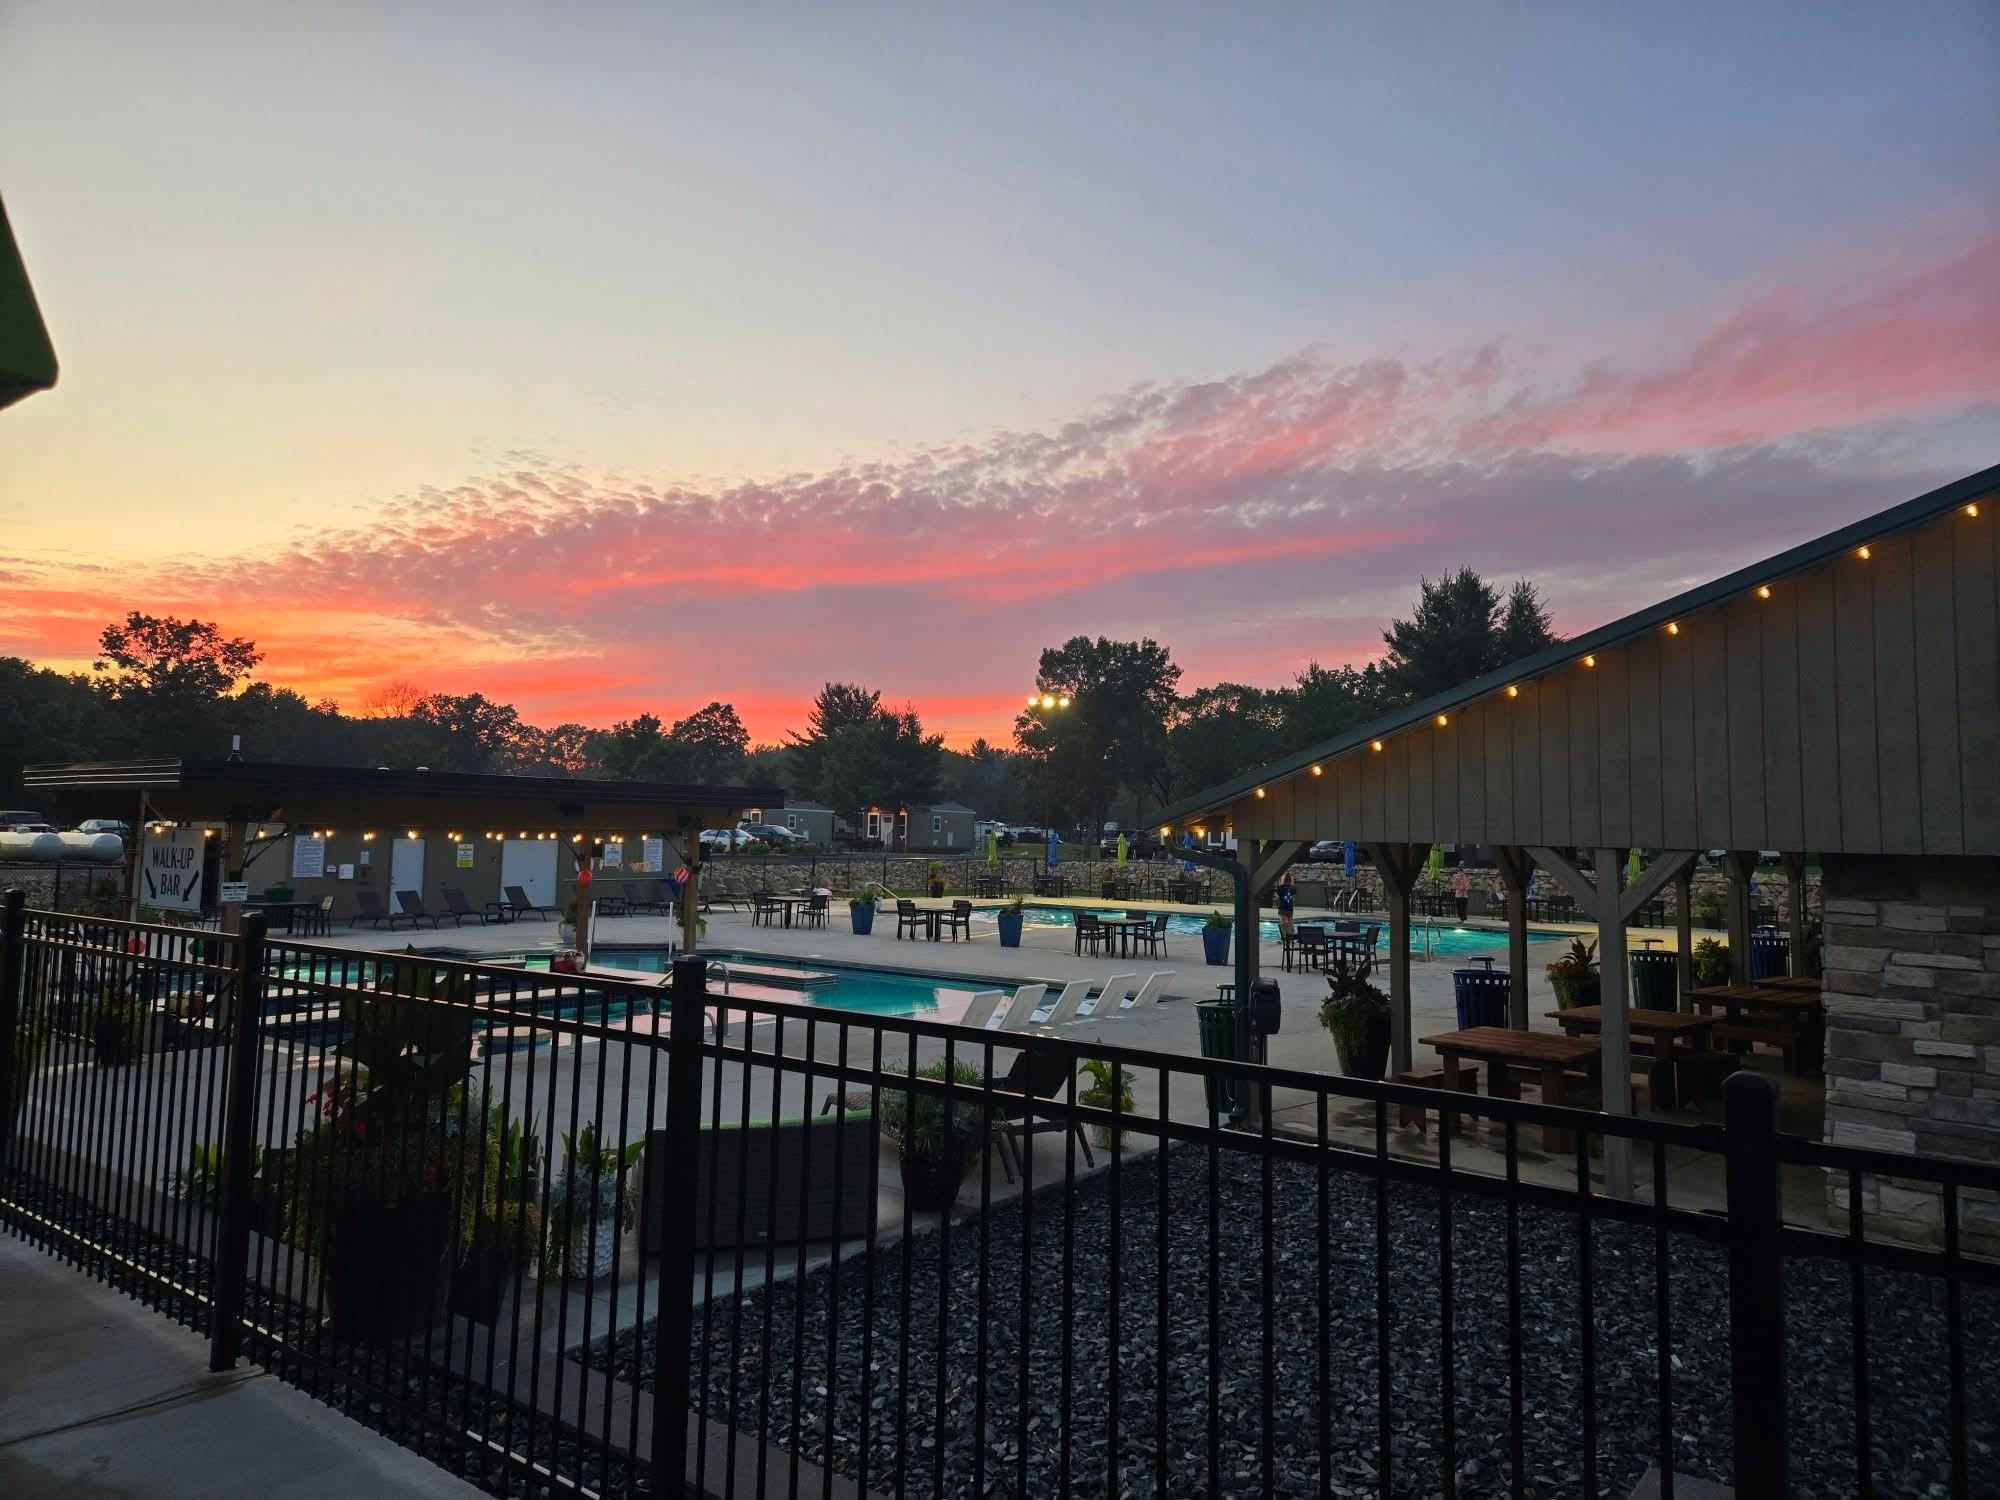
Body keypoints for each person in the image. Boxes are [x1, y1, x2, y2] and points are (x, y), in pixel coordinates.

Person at [1276, 870, 1297, 943]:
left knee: (1283, 924)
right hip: (1290, 908)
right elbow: (1293, 893)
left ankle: (1284, 939)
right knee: (1290, 923)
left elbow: (1278, 894)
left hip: (1283, 908)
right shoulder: (1293, 888)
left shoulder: (1280, 888)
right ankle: (1291, 938)